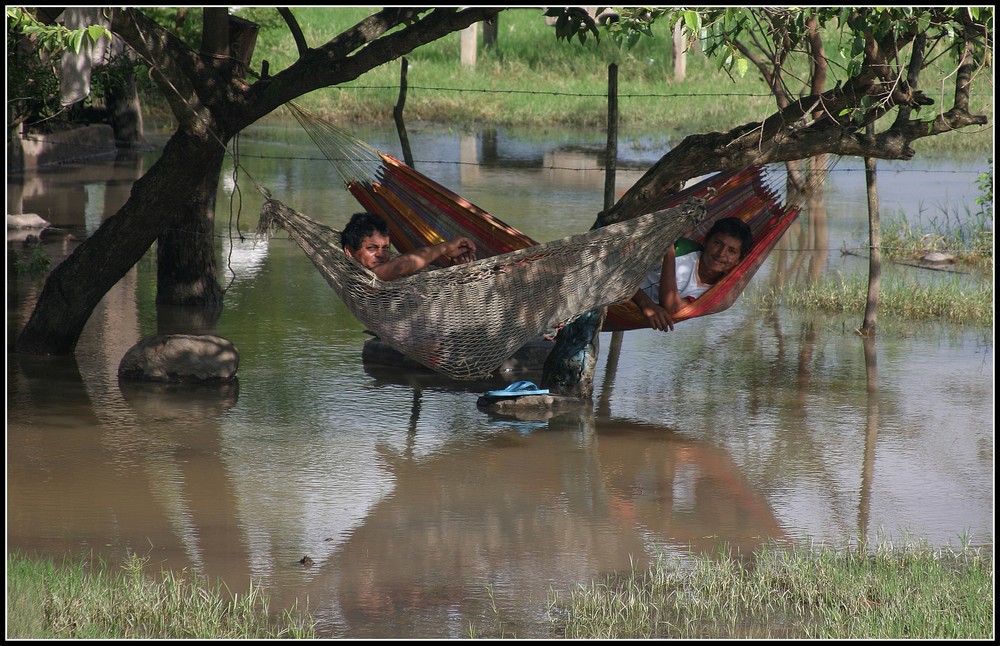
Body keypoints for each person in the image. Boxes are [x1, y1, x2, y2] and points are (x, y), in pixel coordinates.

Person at [631, 217, 753, 332]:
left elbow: (672, 307)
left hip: (629, 304)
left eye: (731, 251)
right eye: (717, 243)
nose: (721, 253)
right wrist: (645, 303)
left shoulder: (715, 293)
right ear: (706, 241)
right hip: (618, 289)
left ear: (738, 260)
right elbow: (616, 272)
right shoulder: (680, 249)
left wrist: (669, 253)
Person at [341, 211, 477, 281]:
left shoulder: (393, 275)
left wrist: (454, 270)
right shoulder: (361, 281)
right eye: (371, 248)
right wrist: (446, 247)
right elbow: (399, 266)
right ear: (349, 251)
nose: (381, 254)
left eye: (386, 248)